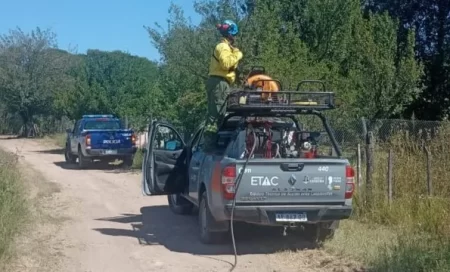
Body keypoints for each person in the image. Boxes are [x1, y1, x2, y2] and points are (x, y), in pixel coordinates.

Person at [204, 19, 243, 150]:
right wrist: (238, 54)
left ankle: (213, 144)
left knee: (218, 114)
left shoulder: (226, 47)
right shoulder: (223, 47)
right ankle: (209, 147)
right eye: (234, 34)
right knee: (217, 115)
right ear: (230, 34)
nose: (235, 37)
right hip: (219, 83)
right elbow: (226, 64)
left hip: (221, 82)